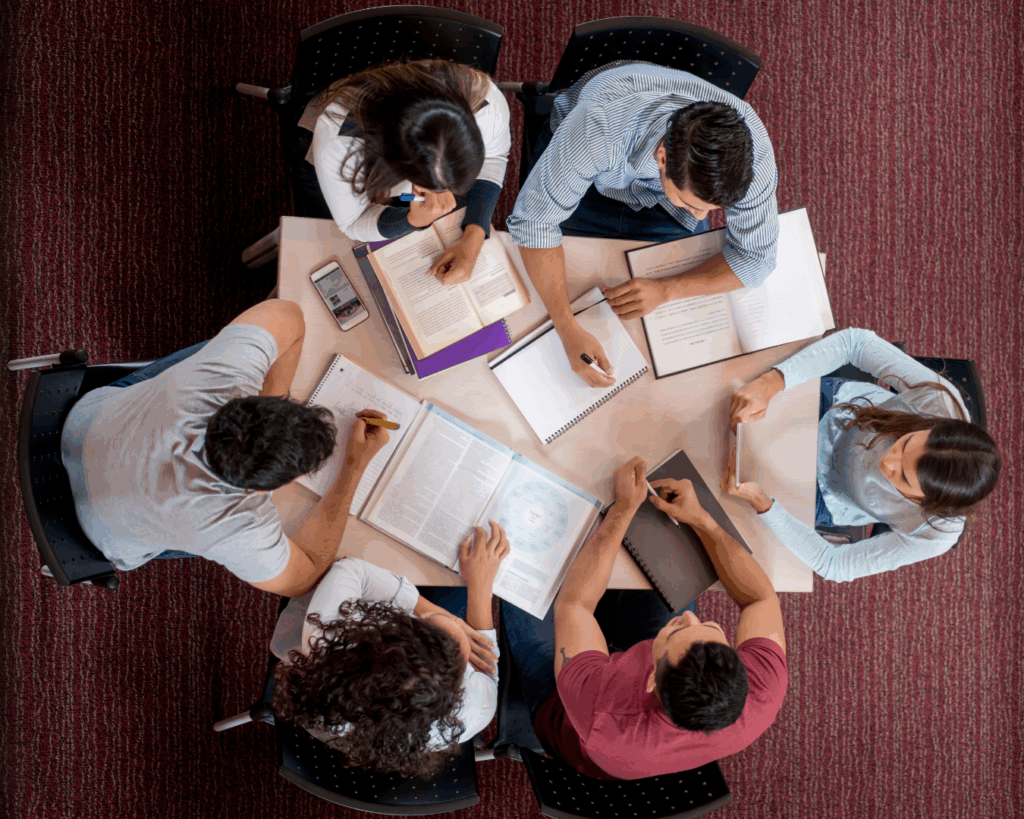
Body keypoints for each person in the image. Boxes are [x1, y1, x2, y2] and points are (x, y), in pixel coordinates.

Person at [61, 299, 390, 597]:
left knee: (219, 348)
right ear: (265, 487)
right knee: (230, 548)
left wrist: (274, 396)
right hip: (94, 530)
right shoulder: (235, 524)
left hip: (79, 424)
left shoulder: (222, 377)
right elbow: (303, 580)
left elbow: (290, 314)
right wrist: (353, 467)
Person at [503, 457, 787, 780]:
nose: (690, 617)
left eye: (681, 629)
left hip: (568, 711)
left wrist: (623, 509)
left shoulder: (600, 715)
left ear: (650, 681)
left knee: (517, 562)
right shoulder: (762, 689)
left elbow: (574, 605)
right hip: (646, 684)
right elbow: (759, 599)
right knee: (671, 550)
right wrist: (701, 520)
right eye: (708, 626)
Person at [506, 62, 779, 388]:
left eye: (712, 209)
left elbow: (757, 260)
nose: (699, 220)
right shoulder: (599, 126)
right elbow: (534, 223)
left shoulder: (753, 155)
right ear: (663, 157)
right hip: (593, 174)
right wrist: (566, 327)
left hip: (657, 194)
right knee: (542, 302)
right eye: (691, 204)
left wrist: (668, 289)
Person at [723, 328, 1001, 582]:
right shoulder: (939, 401)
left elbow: (834, 564)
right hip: (835, 410)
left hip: (827, 493)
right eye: (905, 444)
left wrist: (763, 505)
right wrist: (773, 382)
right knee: (727, 388)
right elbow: (856, 344)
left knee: (722, 502)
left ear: (927, 504)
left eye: (902, 477)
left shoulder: (935, 534)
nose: (887, 461)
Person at [270, 521, 510, 777]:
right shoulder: (473, 712)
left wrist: (431, 612)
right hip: (359, 730)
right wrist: (480, 590)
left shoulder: (329, 637)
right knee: (452, 586)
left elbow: (351, 569)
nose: (455, 621)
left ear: (389, 627)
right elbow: (487, 671)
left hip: (319, 680)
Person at [295, 59, 511, 285]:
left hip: (403, 184)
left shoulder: (487, 101)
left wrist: (474, 238)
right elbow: (352, 222)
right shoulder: (340, 143)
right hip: (327, 151)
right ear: (395, 168)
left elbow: (495, 157)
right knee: (328, 238)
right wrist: (412, 221)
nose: (447, 195)